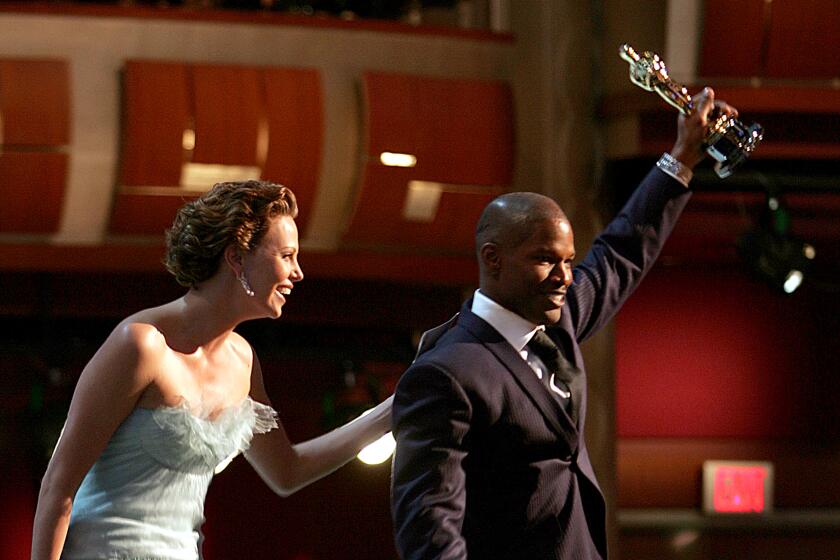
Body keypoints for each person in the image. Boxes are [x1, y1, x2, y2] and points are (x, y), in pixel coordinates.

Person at [391, 87, 737, 559]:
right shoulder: (446, 372)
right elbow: (430, 531)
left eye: (569, 261)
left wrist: (682, 157)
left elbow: (619, 253)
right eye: (544, 260)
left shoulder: (557, 322)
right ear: (492, 260)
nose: (564, 277)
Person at [31, 181, 393, 560]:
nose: (298, 272)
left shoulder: (243, 361)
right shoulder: (140, 345)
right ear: (236, 257)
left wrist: (393, 410)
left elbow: (287, 472)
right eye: (287, 255)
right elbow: (59, 487)